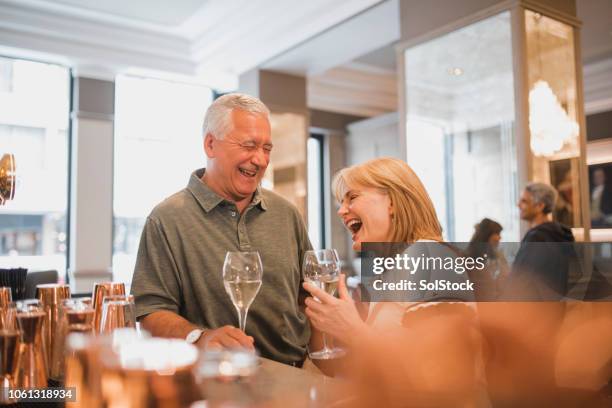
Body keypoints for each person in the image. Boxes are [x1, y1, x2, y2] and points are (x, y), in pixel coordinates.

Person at [131, 93, 311, 366]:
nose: (261, 160)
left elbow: (307, 297)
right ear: (210, 144)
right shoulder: (165, 220)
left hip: (296, 376)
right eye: (249, 145)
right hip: (214, 381)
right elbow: (150, 312)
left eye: (267, 148)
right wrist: (199, 338)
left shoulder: (287, 214)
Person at [303, 158, 488, 405]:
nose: (341, 210)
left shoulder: (430, 256)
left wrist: (352, 330)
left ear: (392, 202)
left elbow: (441, 374)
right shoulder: (395, 269)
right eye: (341, 202)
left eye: (352, 197)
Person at [509, 182, 575, 298]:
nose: (518, 204)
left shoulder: (536, 237)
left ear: (540, 206)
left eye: (524, 201)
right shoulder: (561, 234)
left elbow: (519, 280)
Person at [466, 218, 509, 299]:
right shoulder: (469, 258)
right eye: (497, 233)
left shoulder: (497, 256)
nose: (500, 238)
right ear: (486, 235)